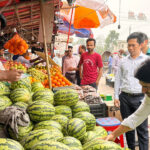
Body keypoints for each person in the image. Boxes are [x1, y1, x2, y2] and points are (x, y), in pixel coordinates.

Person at [113, 32, 149, 150]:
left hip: (141, 98)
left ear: (140, 45)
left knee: (142, 129)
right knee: (129, 127)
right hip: (125, 97)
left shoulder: (147, 61)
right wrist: (116, 96)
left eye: (133, 45)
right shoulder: (123, 61)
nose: (130, 48)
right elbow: (117, 79)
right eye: (129, 45)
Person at [106, 58, 150, 149]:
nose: (142, 91)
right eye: (141, 86)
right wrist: (113, 135)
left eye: (146, 86)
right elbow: (135, 118)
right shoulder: (148, 98)